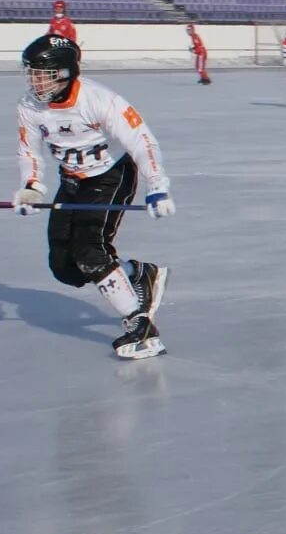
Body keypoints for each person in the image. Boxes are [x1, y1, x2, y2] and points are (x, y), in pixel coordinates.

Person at [12, 34, 175, 360]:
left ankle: (140, 325)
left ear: (64, 73)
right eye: (31, 73)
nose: (34, 82)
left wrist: (157, 185)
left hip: (110, 176)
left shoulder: (100, 100)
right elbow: (28, 149)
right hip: (72, 180)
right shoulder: (30, 107)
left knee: (90, 251)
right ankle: (138, 273)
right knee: (65, 267)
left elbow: (142, 140)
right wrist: (31, 185)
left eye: (42, 75)